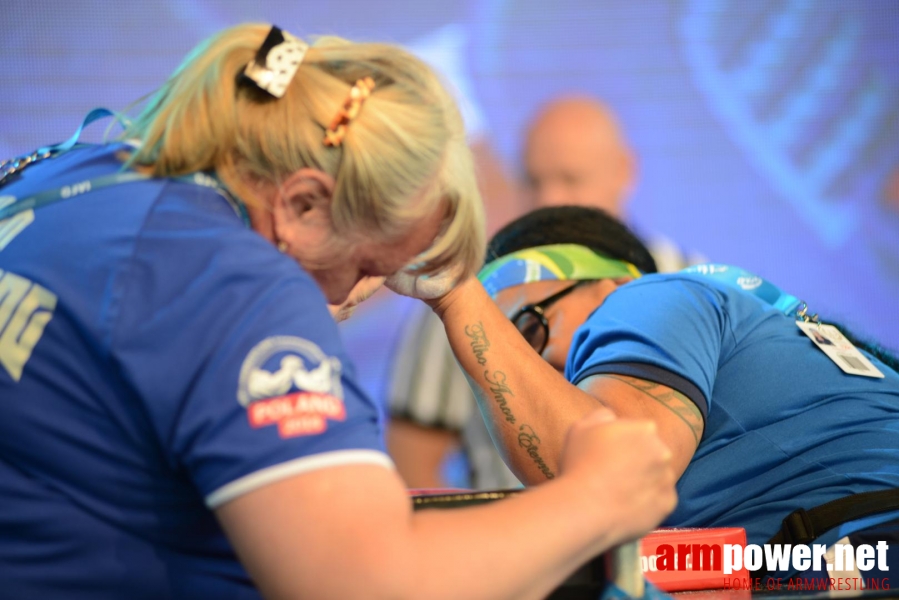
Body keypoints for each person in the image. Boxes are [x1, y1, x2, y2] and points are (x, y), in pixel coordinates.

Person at [0, 24, 679, 599]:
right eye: (364, 266)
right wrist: (597, 496)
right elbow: (360, 583)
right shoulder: (231, 278)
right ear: (301, 204)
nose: (343, 301)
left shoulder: (68, 167)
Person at [436, 205, 899, 575]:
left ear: (615, 281)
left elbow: (604, 479)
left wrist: (454, 291)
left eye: (531, 330)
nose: (532, 372)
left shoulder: (648, 299)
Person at [385, 97, 702, 489]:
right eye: (533, 181)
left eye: (570, 179)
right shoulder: (458, 291)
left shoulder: (691, 283)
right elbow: (413, 462)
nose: (548, 199)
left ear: (625, 170)